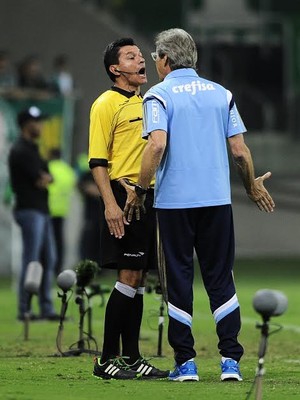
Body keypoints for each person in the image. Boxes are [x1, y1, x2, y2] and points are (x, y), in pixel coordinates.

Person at [123, 28, 275, 382]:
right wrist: (251, 186)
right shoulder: (221, 94)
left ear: (163, 60)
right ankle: (230, 362)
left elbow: (156, 146)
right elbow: (239, 151)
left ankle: (186, 363)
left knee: (178, 278)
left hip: (175, 205)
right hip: (217, 202)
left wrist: (140, 190)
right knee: (221, 277)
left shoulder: (158, 95)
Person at [88, 38, 169, 380]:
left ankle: (133, 358)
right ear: (115, 69)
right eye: (131, 56)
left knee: (137, 280)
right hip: (124, 200)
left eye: (141, 55)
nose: (141, 61)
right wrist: (110, 205)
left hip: (147, 198)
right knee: (128, 276)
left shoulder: (146, 102)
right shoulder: (106, 104)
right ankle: (106, 359)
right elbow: (98, 161)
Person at [8, 106, 59, 321]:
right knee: (32, 260)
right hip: (29, 210)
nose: (39, 125)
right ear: (25, 125)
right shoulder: (20, 150)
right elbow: (41, 179)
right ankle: (25, 308)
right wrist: (44, 178)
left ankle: (46, 308)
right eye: (35, 122)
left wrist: (44, 178)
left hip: (41, 209)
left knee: (49, 258)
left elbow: (48, 177)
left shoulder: (33, 149)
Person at [48, 148, 76, 276]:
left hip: (48, 210)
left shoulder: (48, 168)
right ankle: (57, 268)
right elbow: (73, 184)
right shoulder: (67, 170)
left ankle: (47, 267)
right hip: (62, 210)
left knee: (47, 241)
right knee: (59, 241)